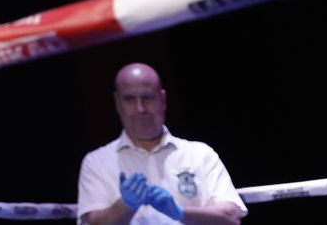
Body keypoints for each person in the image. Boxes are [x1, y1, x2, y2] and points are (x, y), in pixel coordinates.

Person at [76, 63, 246, 225]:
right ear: (117, 103)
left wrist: (180, 212)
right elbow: (93, 222)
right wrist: (124, 206)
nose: (140, 108)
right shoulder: (96, 162)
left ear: (163, 99)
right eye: (129, 99)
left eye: (147, 97)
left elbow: (231, 217)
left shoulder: (200, 154)